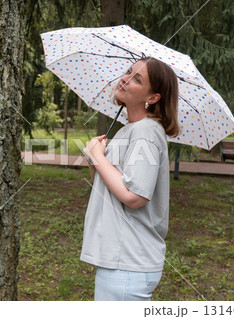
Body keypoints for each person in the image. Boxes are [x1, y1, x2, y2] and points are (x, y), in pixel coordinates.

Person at [81, 57, 180, 301]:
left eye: (137, 79)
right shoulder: (130, 129)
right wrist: (95, 159)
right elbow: (105, 186)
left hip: (127, 261)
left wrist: (98, 157)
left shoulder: (146, 132)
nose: (125, 79)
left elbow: (135, 196)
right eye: (128, 72)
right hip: (120, 259)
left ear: (153, 97)